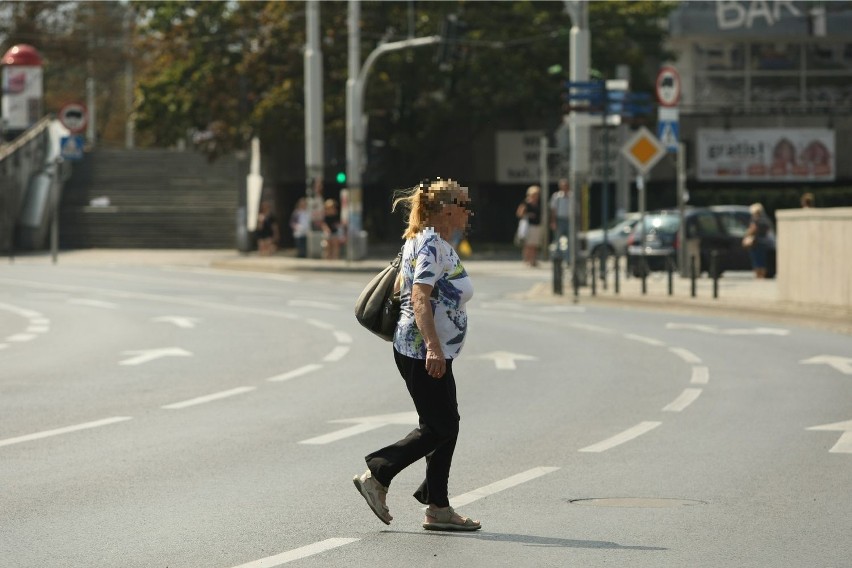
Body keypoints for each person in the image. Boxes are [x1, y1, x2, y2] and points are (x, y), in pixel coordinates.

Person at [353, 178, 480, 532]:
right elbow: (420, 297)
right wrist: (434, 348)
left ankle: (438, 506)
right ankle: (378, 473)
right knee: (441, 426)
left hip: (425, 350)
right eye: (464, 206)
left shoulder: (429, 242)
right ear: (448, 209)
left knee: (444, 426)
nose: (468, 213)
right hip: (422, 351)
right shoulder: (430, 246)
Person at [516, 185, 542, 267]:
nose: (536, 196)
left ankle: (533, 260)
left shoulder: (538, 203)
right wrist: (528, 214)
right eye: (534, 194)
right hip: (528, 226)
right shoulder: (526, 203)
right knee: (528, 244)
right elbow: (519, 213)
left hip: (537, 225)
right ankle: (527, 259)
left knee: (535, 244)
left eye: (537, 194)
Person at [744, 202, 772, 279]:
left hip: (755, 242)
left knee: (756, 260)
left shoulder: (755, 220)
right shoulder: (766, 220)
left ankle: (758, 276)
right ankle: (762, 275)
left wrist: (746, 234)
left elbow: (753, 229)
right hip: (764, 241)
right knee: (762, 260)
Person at [549, 178, 572, 261]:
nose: (565, 187)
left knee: (571, 240)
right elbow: (553, 210)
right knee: (557, 239)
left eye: (566, 185)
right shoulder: (556, 196)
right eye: (563, 186)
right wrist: (553, 221)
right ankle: (557, 258)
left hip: (570, 220)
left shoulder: (572, 196)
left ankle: (568, 258)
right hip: (559, 220)